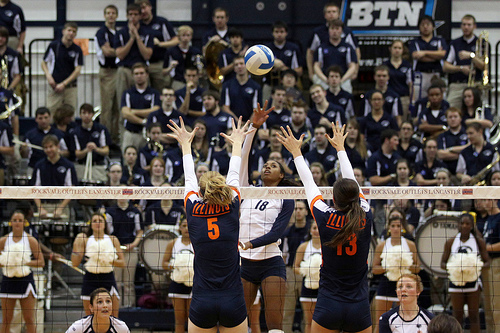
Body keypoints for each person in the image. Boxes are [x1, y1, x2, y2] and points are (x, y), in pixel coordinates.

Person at [277, 121, 373, 333]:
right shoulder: (365, 214)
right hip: (358, 306)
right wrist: (341, 148)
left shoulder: (325, 216)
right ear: (357, 197)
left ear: (334, 200)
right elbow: (351, 180)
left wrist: (296, 152)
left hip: (328, 303)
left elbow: (309, 183)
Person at [166, 115, 252, 333]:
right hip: (232, 298)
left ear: (201, 193)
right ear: (222, 189)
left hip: (202, 299)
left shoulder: (193, 209)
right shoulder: (232, 204)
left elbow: (189, 178)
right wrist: (237, 144)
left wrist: (185, 144)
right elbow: (234, 171)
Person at [239, 102, 295, 331]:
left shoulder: (286, 198)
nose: (267, 167)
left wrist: (250, 243)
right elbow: (242, 158)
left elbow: (276, 233)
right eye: (265, 164)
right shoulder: (247, 189)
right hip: (245, 263)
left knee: (274, 325)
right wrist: (252, 127)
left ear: (282, 175)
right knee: (239, 322)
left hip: (271, 261)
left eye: (273, 165)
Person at [441, 213, 490, 333]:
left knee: (474, 316)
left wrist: (475, 267)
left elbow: (487, 262)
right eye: (462, 223)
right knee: (457, 316)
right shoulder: (450, 242)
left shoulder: (479, 242)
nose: (464, 226)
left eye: (467, 223)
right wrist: (454, 268)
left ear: (472, 226)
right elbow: (442, 263)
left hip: (473, 283)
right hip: (456, 283)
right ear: (458, 225)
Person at [71, 212, 125, 318]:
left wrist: (106, 259)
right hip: (90, 278)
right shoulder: (86, 240)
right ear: (91, 224)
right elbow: (75, 263)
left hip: (108, 278)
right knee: (90, 318)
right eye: (94, 221)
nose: (97, 223)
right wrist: (76, 245)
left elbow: (123, 263)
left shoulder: (113, 239)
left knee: (113, 318)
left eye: (100, 221)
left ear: (105, 224)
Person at [372, 216, 421, 333]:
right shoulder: (382, 245)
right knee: (379, 323)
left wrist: (403, 264)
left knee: (403, 323)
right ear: (389, 228)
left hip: (404, 287)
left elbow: (417, 268)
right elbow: (374, 269)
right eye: (393, 226)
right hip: (386, 285)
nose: (395, 229)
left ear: (402, 228)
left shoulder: (410, 245)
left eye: (398, 226)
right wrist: (389, 265)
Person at [0, 210, 44, 333]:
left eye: (20, 220)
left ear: (25, 223)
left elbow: (41, 262)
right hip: (8, 280)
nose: (17, 223)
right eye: (15, 220)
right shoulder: (3, 241)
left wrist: (23, 262)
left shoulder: (31, 240)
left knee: (29, 319)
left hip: (25, 281)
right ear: (10, 223)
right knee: (7, 320)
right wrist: (7, 261)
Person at [106, 197, 144, 308]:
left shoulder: (135, 212)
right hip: (114, 251)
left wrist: (134, 244)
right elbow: (107, 233)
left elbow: (140, 231)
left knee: (128, 282)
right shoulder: (110, 212)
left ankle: (129, 306)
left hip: (131, 250)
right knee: (116, 281)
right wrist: (115, 246)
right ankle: (115, 307)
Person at [114, 3, 153, 111]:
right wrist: (131, 39)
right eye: (130, 14)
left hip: (142, 69)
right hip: (125, 69)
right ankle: (123, 126)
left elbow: (147, 54)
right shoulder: (121, 33)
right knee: (122, 102)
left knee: (144, 100)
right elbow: (120, 55)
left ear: (140, 16)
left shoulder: (147, 33)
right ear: (126, 16)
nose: (133, 17)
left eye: (136, 14)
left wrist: (137, 37)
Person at [30, 134, 77, 219]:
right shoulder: (39, 165)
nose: (48, 150)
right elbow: (35, 188)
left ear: (57, 146)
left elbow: (71, 190)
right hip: (44, 205)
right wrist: (40, 208)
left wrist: (60, 208)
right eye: (46, 147)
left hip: (61, 205)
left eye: (51, 146)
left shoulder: (68, 165)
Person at [282, 200, 311, 333]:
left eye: (300, 208)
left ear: (306, 211)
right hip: (290, 273)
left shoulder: (312, 231)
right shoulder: (287, 233)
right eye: (295, 209)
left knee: (309, 311)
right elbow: (284, 256)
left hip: (308, 273)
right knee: (287, 310)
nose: (298, 211)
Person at [444, 14, 484, 109]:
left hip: (475, 84)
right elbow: (445, 66)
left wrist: (471, 55)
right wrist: (461, 68)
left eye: (469, 25)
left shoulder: (481, 43)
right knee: (450, 108)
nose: (466, 27)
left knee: (476, 111)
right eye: (464, 24)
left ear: (474, 26)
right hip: (457, 84)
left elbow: (484, 66)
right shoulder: (455, 43)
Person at [41, 22, 83, 113]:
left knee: (69, 114)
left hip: (70, 87)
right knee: (52, 112)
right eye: (69, 30)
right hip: (54, 86)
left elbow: (77, 70)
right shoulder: (54, 46)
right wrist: (49, 77)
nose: (71, 33)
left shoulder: (77, 50)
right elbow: (44, 63)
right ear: (63, 31)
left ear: (75, 34)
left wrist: (64, 84)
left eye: (74, 31)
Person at [137, 0, 178, 92]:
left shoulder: (161, 22)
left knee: (162, 91)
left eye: (144, 8)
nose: (143, 11)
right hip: (142, 64)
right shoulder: (137, 25)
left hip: (159, 63)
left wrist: (160, 44)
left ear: (150, 7)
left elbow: (176, 40)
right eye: (140, 10)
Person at [120, 62, 161, 152]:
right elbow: (125, 114)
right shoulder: (128, 93)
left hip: (148, 135)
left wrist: (134, 112)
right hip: (131, 134)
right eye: (136, 74)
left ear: (147, 75)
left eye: (142, 73)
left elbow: (155, 110)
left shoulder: (154, 93)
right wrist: (143, 121)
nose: (139, 76)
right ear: (133, 76)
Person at [162, 219, 194, 333]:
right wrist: (176, 264)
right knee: (179, 321)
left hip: (194, 285)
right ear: (179, 228)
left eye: (189, 225)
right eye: (184, 225)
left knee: (192, 321)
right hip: (177, 284)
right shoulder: (173, 243)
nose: (186, 228)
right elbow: (164, 264)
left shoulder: (198, 242)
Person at [95, 4, 120, 143]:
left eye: (113, 13)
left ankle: (115, 137)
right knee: (107, 107)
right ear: (105, 15)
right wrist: (122, 51)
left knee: (117, 107)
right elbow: (107, 51)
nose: (111, 15)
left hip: (118, 70)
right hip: (107, 71)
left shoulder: (118, 32)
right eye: (108, 13)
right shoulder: (102, 32)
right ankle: (105, 138)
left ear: (116, 15)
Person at [408, 15, 447, 100]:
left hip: (436, 74)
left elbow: (443, 54)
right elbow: (416, 56)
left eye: (428, 24)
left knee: (438, 100)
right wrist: (436, 55)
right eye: (422, 25)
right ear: (419, 27)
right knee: (418, 100)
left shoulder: (439, 40)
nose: (425, 27)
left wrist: (424, 52)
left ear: (433, 27)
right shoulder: (415, 42)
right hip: (421, 75)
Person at [70, 103, 111, 183]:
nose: (86, 116)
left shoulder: (101, 129)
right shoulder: (75, 132)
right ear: (80, 115)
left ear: (92, 114)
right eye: (84, 113)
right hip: (82, 166)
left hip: (97, 166)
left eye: (89, 113)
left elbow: (106, 151)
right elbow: (77, 154)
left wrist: (95, 149)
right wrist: (86, 150)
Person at [313, 19, 357, 92]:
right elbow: (316, 66)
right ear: (328, 30)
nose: (334, 31)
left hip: (343, 80)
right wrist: (325, 79)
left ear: (341, 31)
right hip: (325, 81)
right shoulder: (321, 48)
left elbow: (352, 66)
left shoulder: (348, 47)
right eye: (332, 28)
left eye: (337, 29)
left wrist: (342, 80)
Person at [294, 221, 321, 333]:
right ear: (310, 230)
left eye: (318, 228)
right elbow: (295, 267)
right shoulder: (303, 247)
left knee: (322, 322)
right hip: (307, 288)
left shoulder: (328, 246)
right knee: (309, 322)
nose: (316, 231)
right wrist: (307, 271)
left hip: (324, 289)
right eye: (314, 228)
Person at [65, 288, 130, 333]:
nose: (105, 305)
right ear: (91, 307)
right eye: (100, 302)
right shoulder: (79, 327)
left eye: (108, 301)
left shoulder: (121, 328)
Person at [221, 55, 261, 121]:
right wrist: (237, 121)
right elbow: (225, 108)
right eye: (236, 65)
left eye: (242, 64)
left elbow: (257, 108)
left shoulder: (255, 86)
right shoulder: (227, 85)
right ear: (234, 68)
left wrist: (248, 124)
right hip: (232, 123)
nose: (239, 66)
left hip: (250, 123)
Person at [162, 26, 201, 91]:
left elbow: (201, 70)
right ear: (179, 36)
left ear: (191, 37)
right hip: (178, 81)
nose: (186, 38)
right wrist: (171, 67)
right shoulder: (171, 51)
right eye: (183, 35)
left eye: (188, 35)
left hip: (193, 80)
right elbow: (164, 72)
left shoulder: (196, 52)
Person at [384, 40, 412, 120]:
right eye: (395, 48)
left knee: (401, 123)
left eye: (399, 48)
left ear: (402, 50)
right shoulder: (385, 65)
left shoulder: (407, 65)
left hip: (403, 98)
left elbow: (411, 84)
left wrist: (411, 101)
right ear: (390, 49)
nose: (397, 50)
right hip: (388, 98)